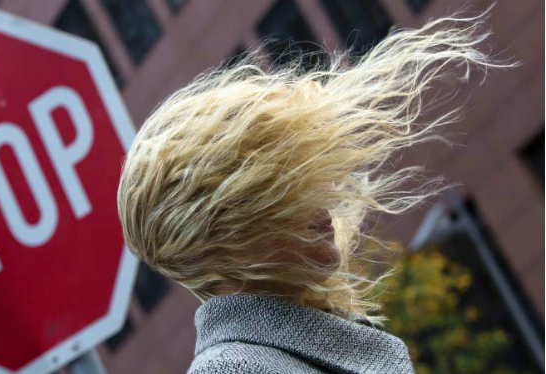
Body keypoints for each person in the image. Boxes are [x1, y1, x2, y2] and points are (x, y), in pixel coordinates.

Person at [117, 9, 509, 374]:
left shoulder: (276, 351)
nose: (321, 200)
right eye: (281, 191)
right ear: (221, 233)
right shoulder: (234, 368)